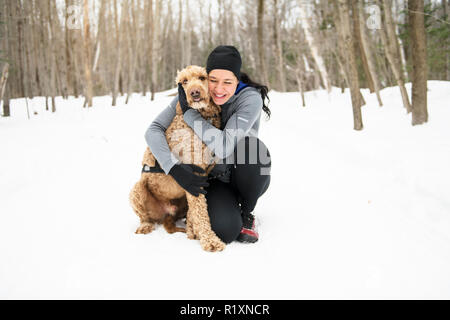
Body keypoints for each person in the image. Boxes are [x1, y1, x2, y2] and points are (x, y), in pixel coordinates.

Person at [145, 45, 271, 244]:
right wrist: (174, 169)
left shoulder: (249, 99)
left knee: (252, 149)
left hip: (245, 174)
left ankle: (247, 212)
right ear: (205, 77)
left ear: (237, 81)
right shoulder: (195, 92)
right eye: (213, 80)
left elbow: (223, 147)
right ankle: (226, 209)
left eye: (227, 82)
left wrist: (190, 115)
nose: (219, 89)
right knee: (226, 232)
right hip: (213, 178)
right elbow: (153, 130)